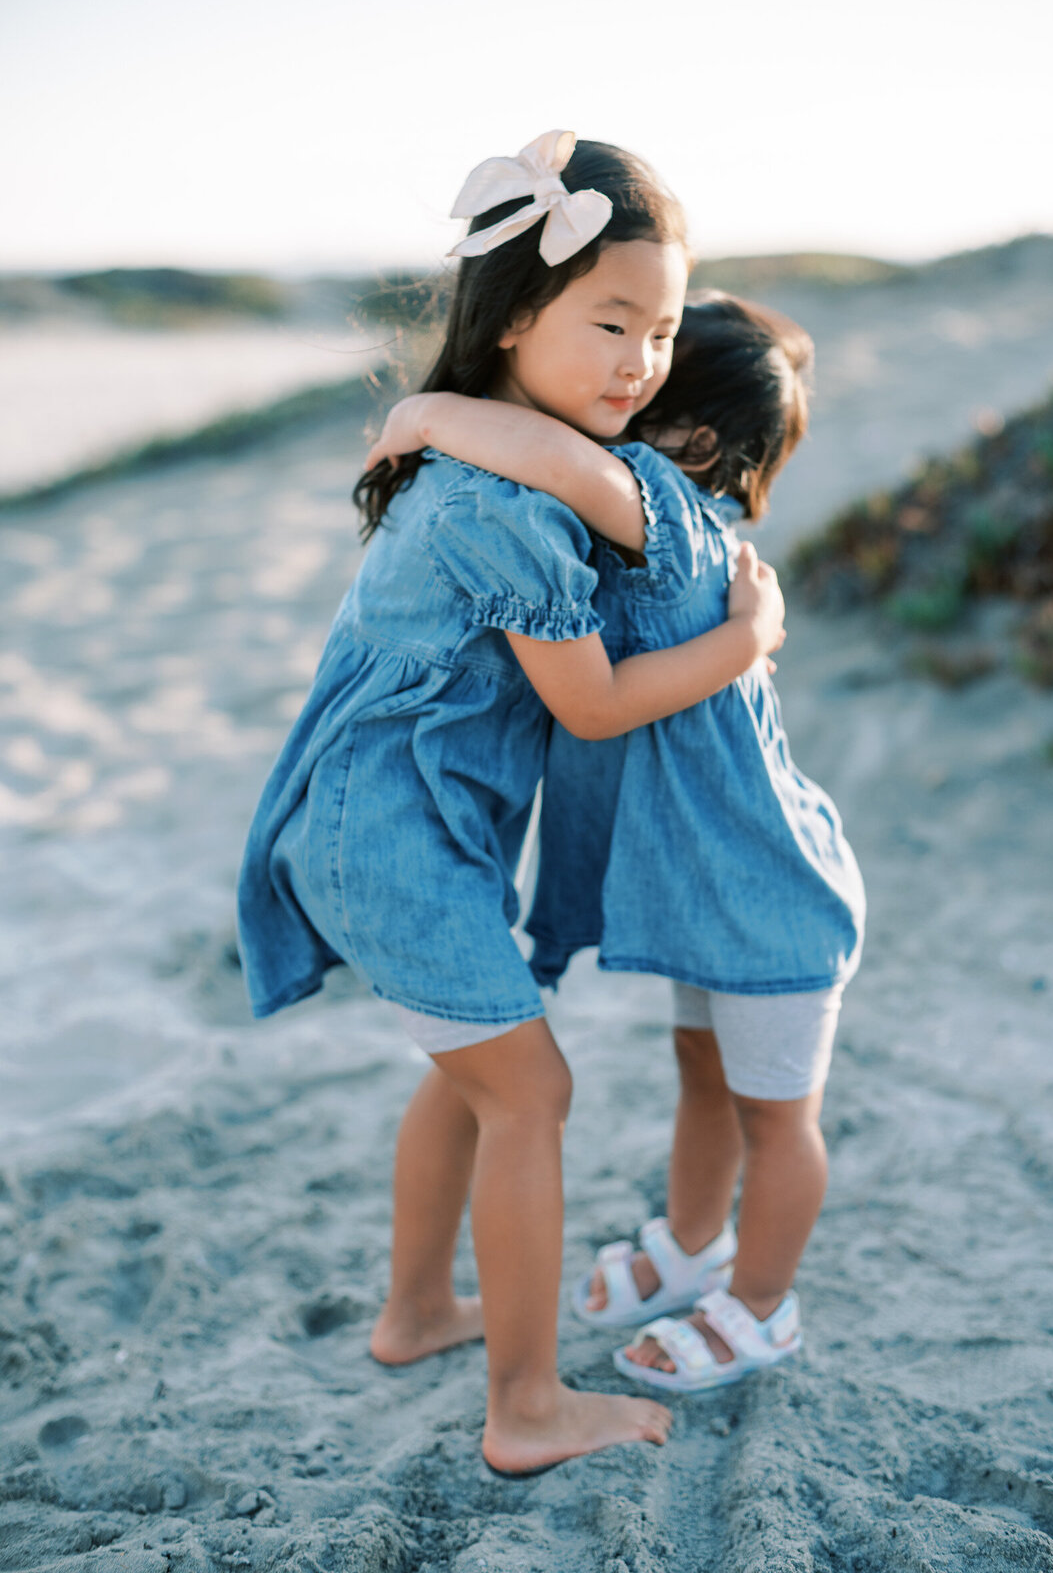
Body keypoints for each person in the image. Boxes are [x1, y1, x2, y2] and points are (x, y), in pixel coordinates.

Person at [236, 134, 787, 1475]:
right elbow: (592, 705)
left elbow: (550, 459)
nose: (640, 362)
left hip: (413, 825)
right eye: (611, 323)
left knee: (474, 1073)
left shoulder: (500, 460)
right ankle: (527, 1406)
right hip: (391, 839)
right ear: (515, 315)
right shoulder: (508, 507)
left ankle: (419, 1311)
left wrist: (439, 414)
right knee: (530, 1091)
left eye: (662, 332)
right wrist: (743, 643)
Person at [364, 290, 866, 1395]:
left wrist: (427, 415)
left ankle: (761, 1306)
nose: (617, 390)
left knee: (777, 1117)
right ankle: (691, 1246)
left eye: (651, 382)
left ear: (694, 445)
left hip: (776, 892)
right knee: (703, 1075)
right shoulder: (660, 541)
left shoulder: (669, 522)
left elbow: (560, 459)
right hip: (709, 886)